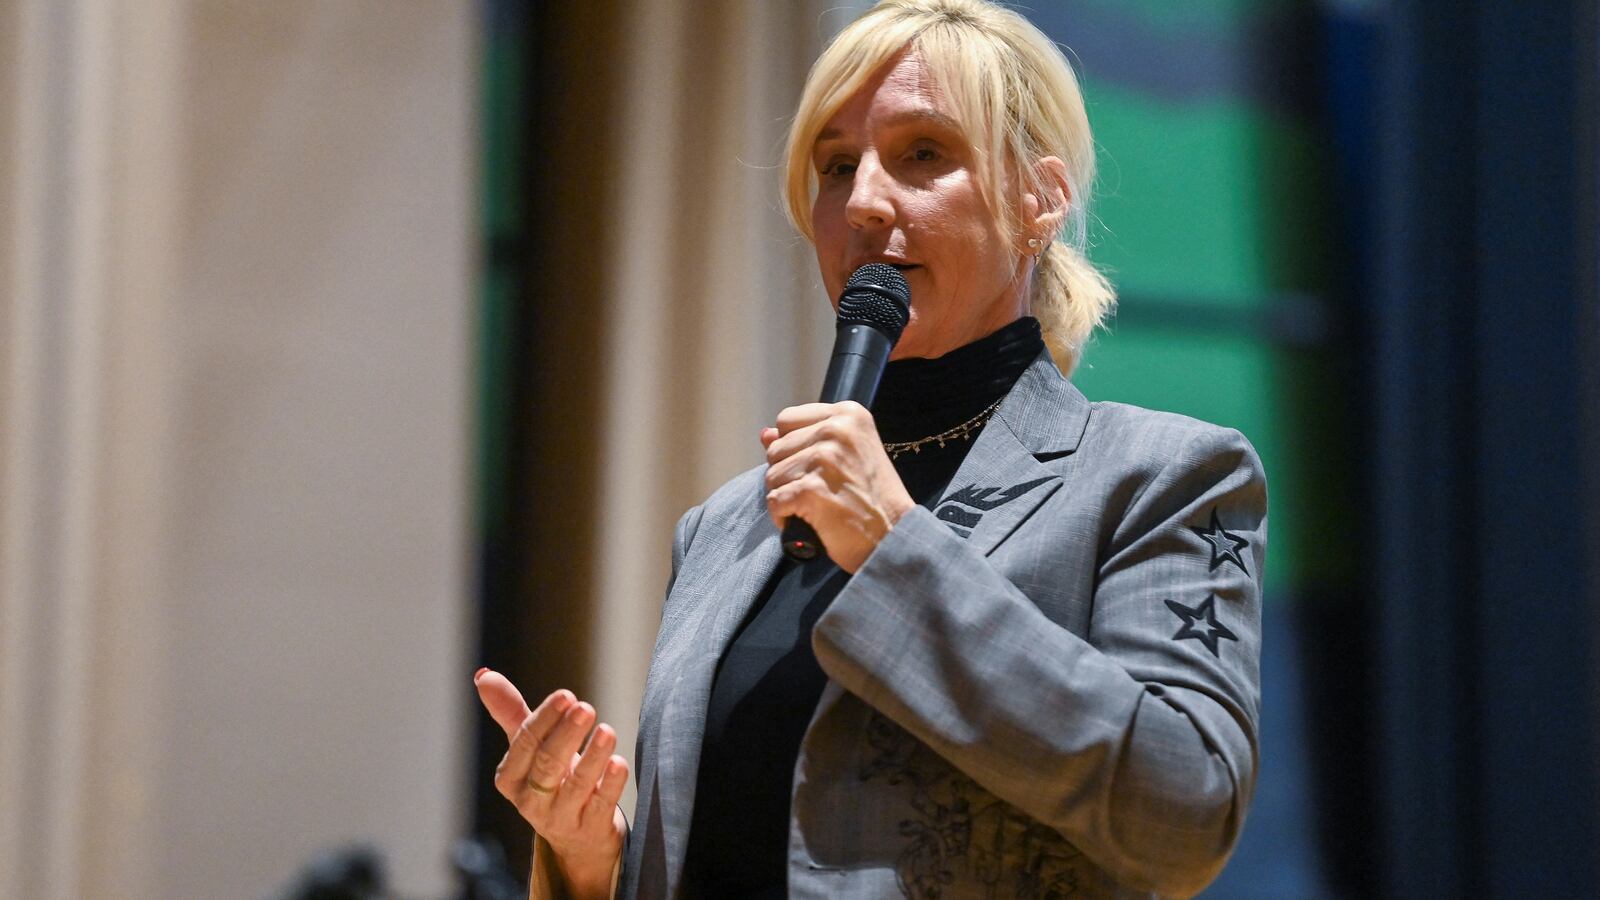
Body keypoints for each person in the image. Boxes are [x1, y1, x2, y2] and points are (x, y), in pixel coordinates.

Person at [476, 1, 1267, 897]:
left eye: (923, 153)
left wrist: (894, 546)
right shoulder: (725, 527)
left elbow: (1187, 811)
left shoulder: (1158, 480)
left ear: (1039, 199)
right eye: (837, 166)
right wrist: (585, 863)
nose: (863, 203)